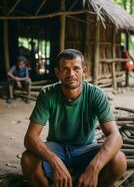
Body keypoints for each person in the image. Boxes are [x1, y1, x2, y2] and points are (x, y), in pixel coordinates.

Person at [21, 49, 127, 187]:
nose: (71, 74)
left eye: (76, 68)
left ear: (84, 71)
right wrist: (54, 161)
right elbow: (30, 138)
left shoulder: (96, 94)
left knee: (119, 161)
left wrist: (94, 168)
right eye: (65, 69)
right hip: (56, 148)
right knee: (27, 159)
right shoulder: (47, 94)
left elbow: (116, 136)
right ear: (57, 72)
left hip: (86, 148)